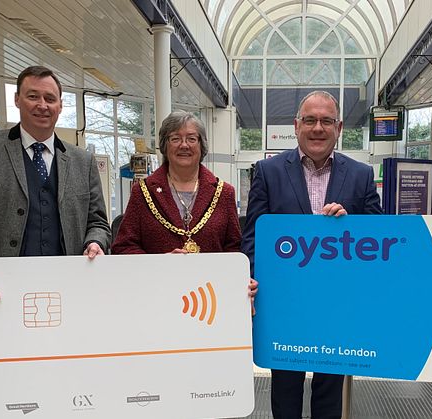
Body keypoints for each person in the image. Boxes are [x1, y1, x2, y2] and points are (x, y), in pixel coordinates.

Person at [0, 66, 111, 382]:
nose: (42, 105)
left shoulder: (82, 161)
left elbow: (98, 221)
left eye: (50, 98)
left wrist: (96, 242)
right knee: (2, 398)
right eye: (33, 96)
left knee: (68, 392)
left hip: (68, 306)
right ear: (17, 99)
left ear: (60, 106)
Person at [241, 91, 382, 418]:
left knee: (330, 390)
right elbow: (254, 237)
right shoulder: (267, 171)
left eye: (326, 121)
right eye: (310, 120)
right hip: (283, 302)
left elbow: (377, 235)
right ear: (296, 126)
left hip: (338, 302)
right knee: (285, 387)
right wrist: (249, 280)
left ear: (339, 127)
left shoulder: (360, 175)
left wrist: (351, 224)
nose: (318, 128)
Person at [111, 111, 257, 298]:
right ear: (165, 145)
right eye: (175, 138)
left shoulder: (224, 193)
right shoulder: (142, 192)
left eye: (191, 138)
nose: (184, 145)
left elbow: (234, 248)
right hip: (157, 296)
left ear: (201, 145)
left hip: (211, 299)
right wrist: (159, 264)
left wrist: (240, 279)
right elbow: (123, 247)